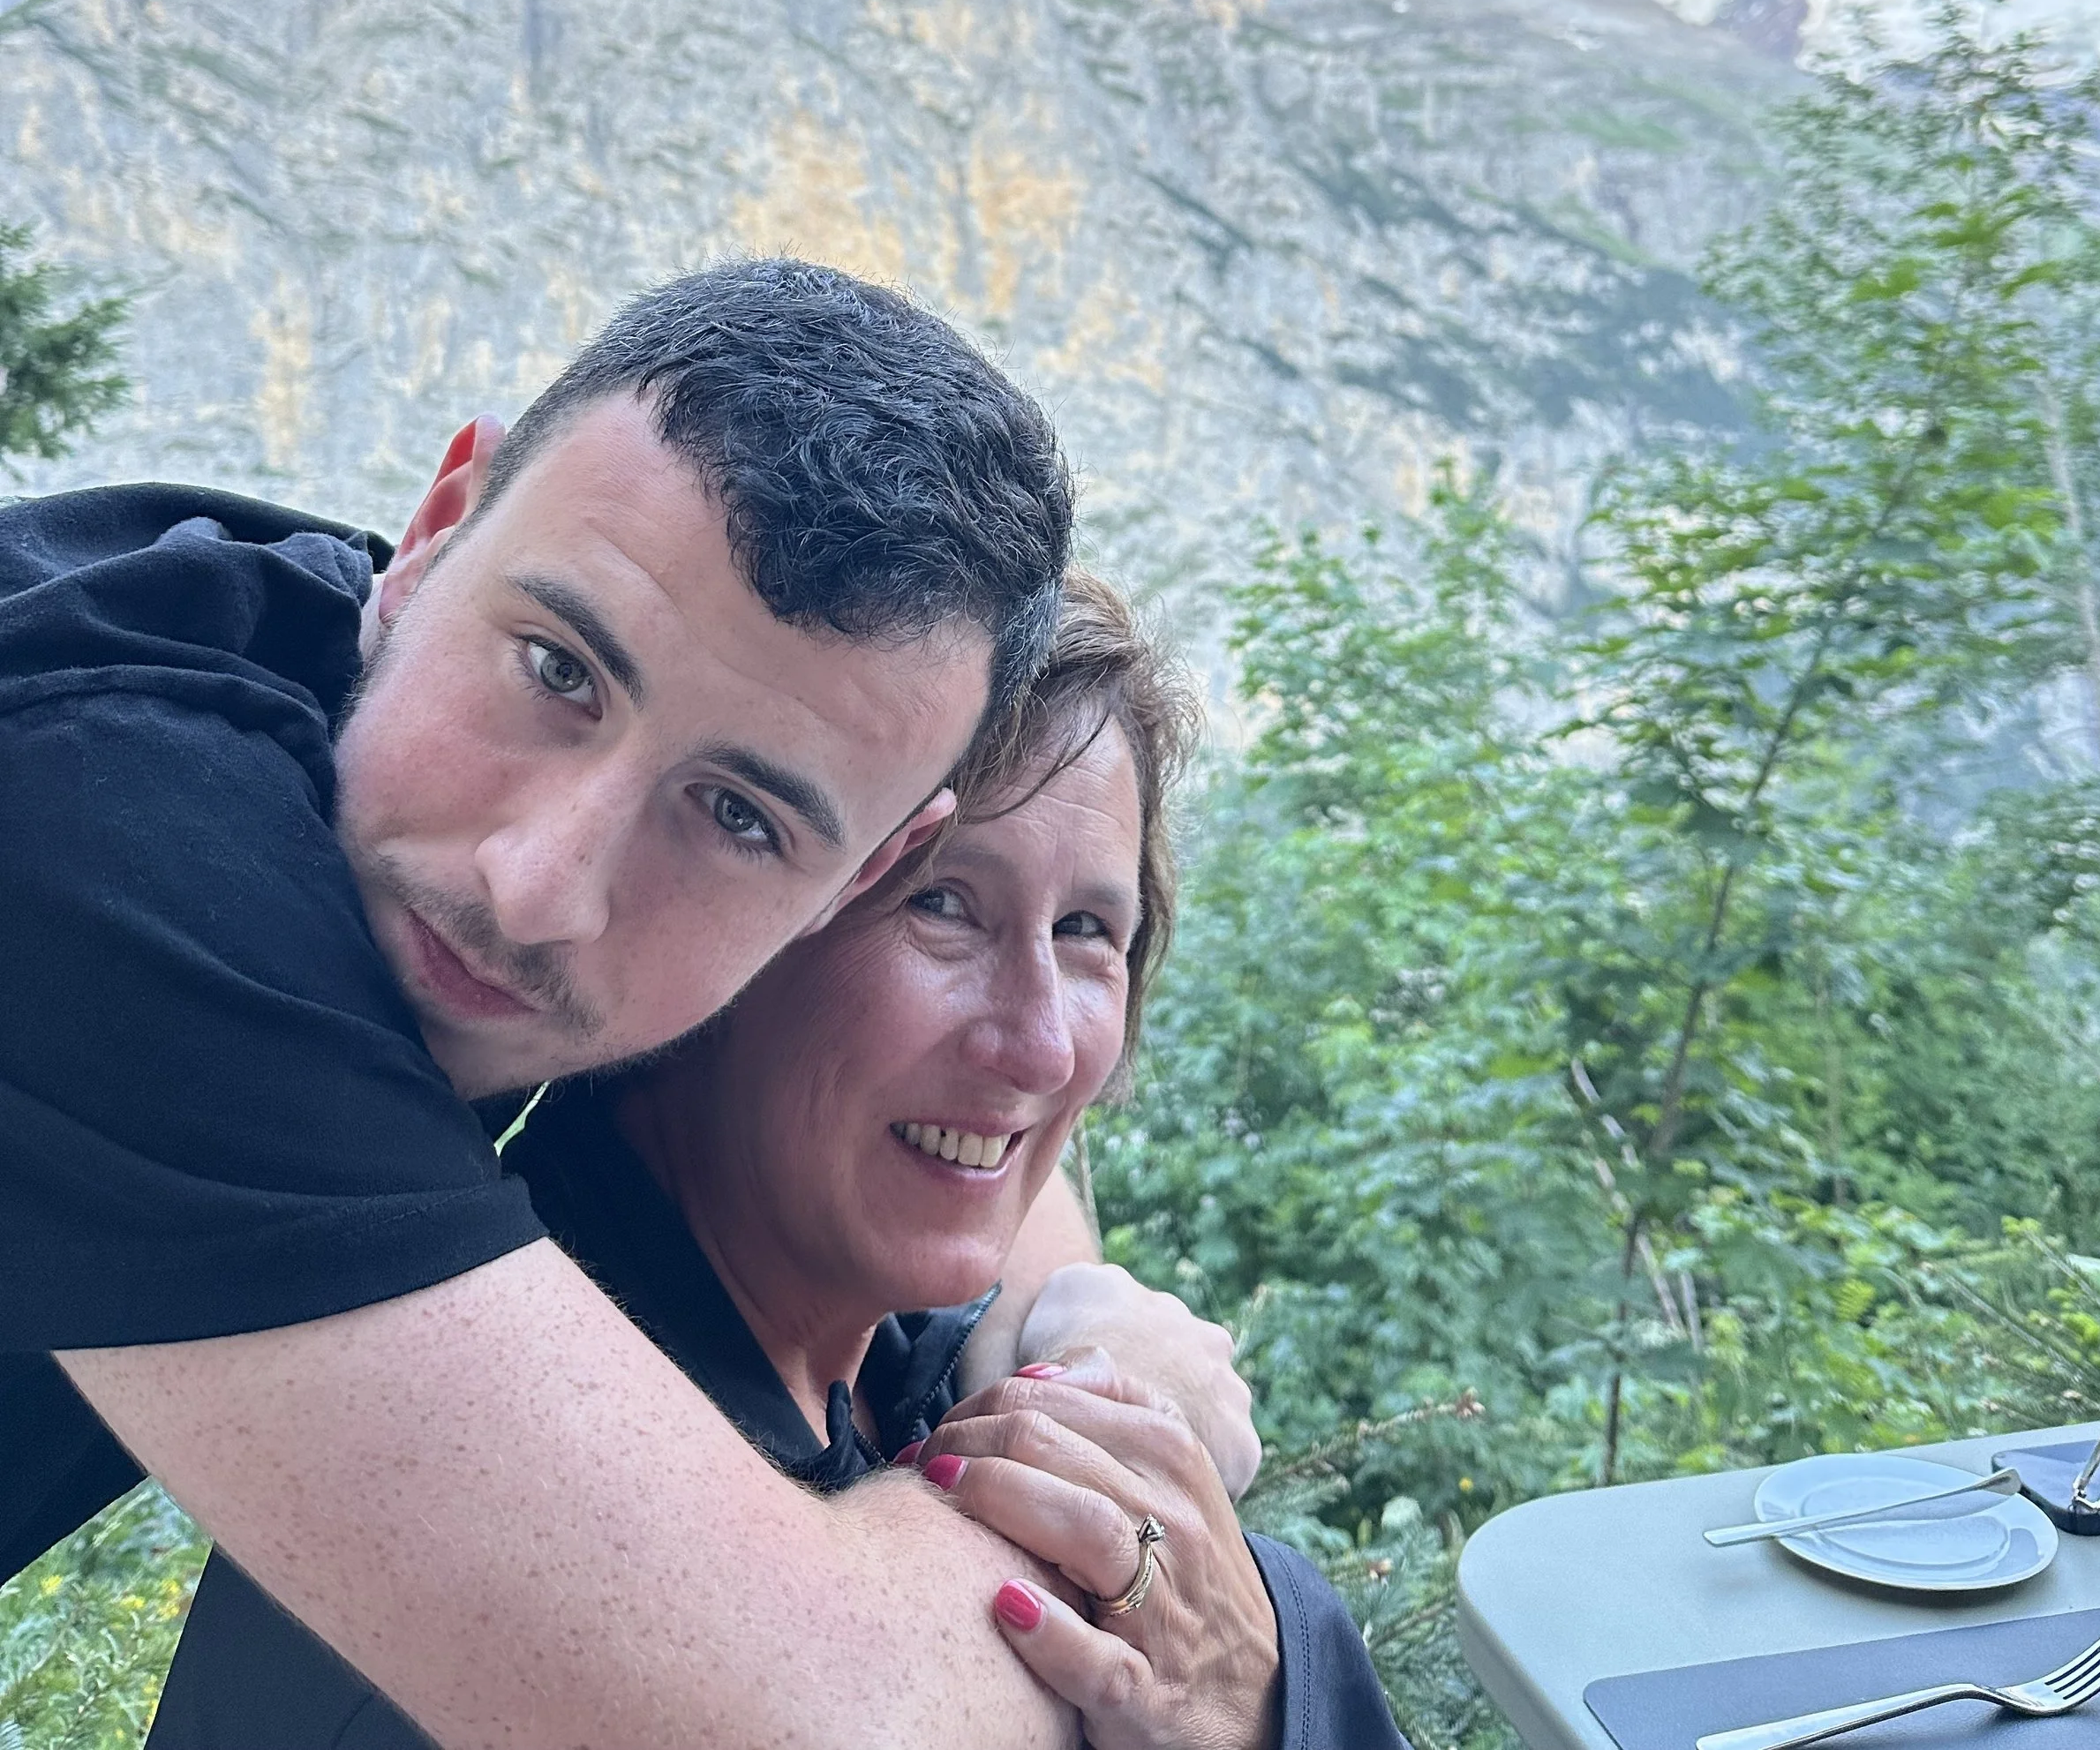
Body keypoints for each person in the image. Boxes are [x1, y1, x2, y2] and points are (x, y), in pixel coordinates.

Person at [2, 259, 1248, 1750]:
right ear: (433, 532)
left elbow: (1011, 1079)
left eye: (739, 819)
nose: (539, 886)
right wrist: (1139, 1481)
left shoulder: (402, 635)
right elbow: (824, 1714)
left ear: (860, 870)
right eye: (557, 671)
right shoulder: (101, 840)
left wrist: (1088, 1333)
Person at [148, 574, 1405, 1750]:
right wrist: (1264, 1662)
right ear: (724, 919)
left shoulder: (881, 1366)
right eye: (943, 904)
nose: (1035, 1043)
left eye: (1088, 930)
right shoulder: (546, 1502)